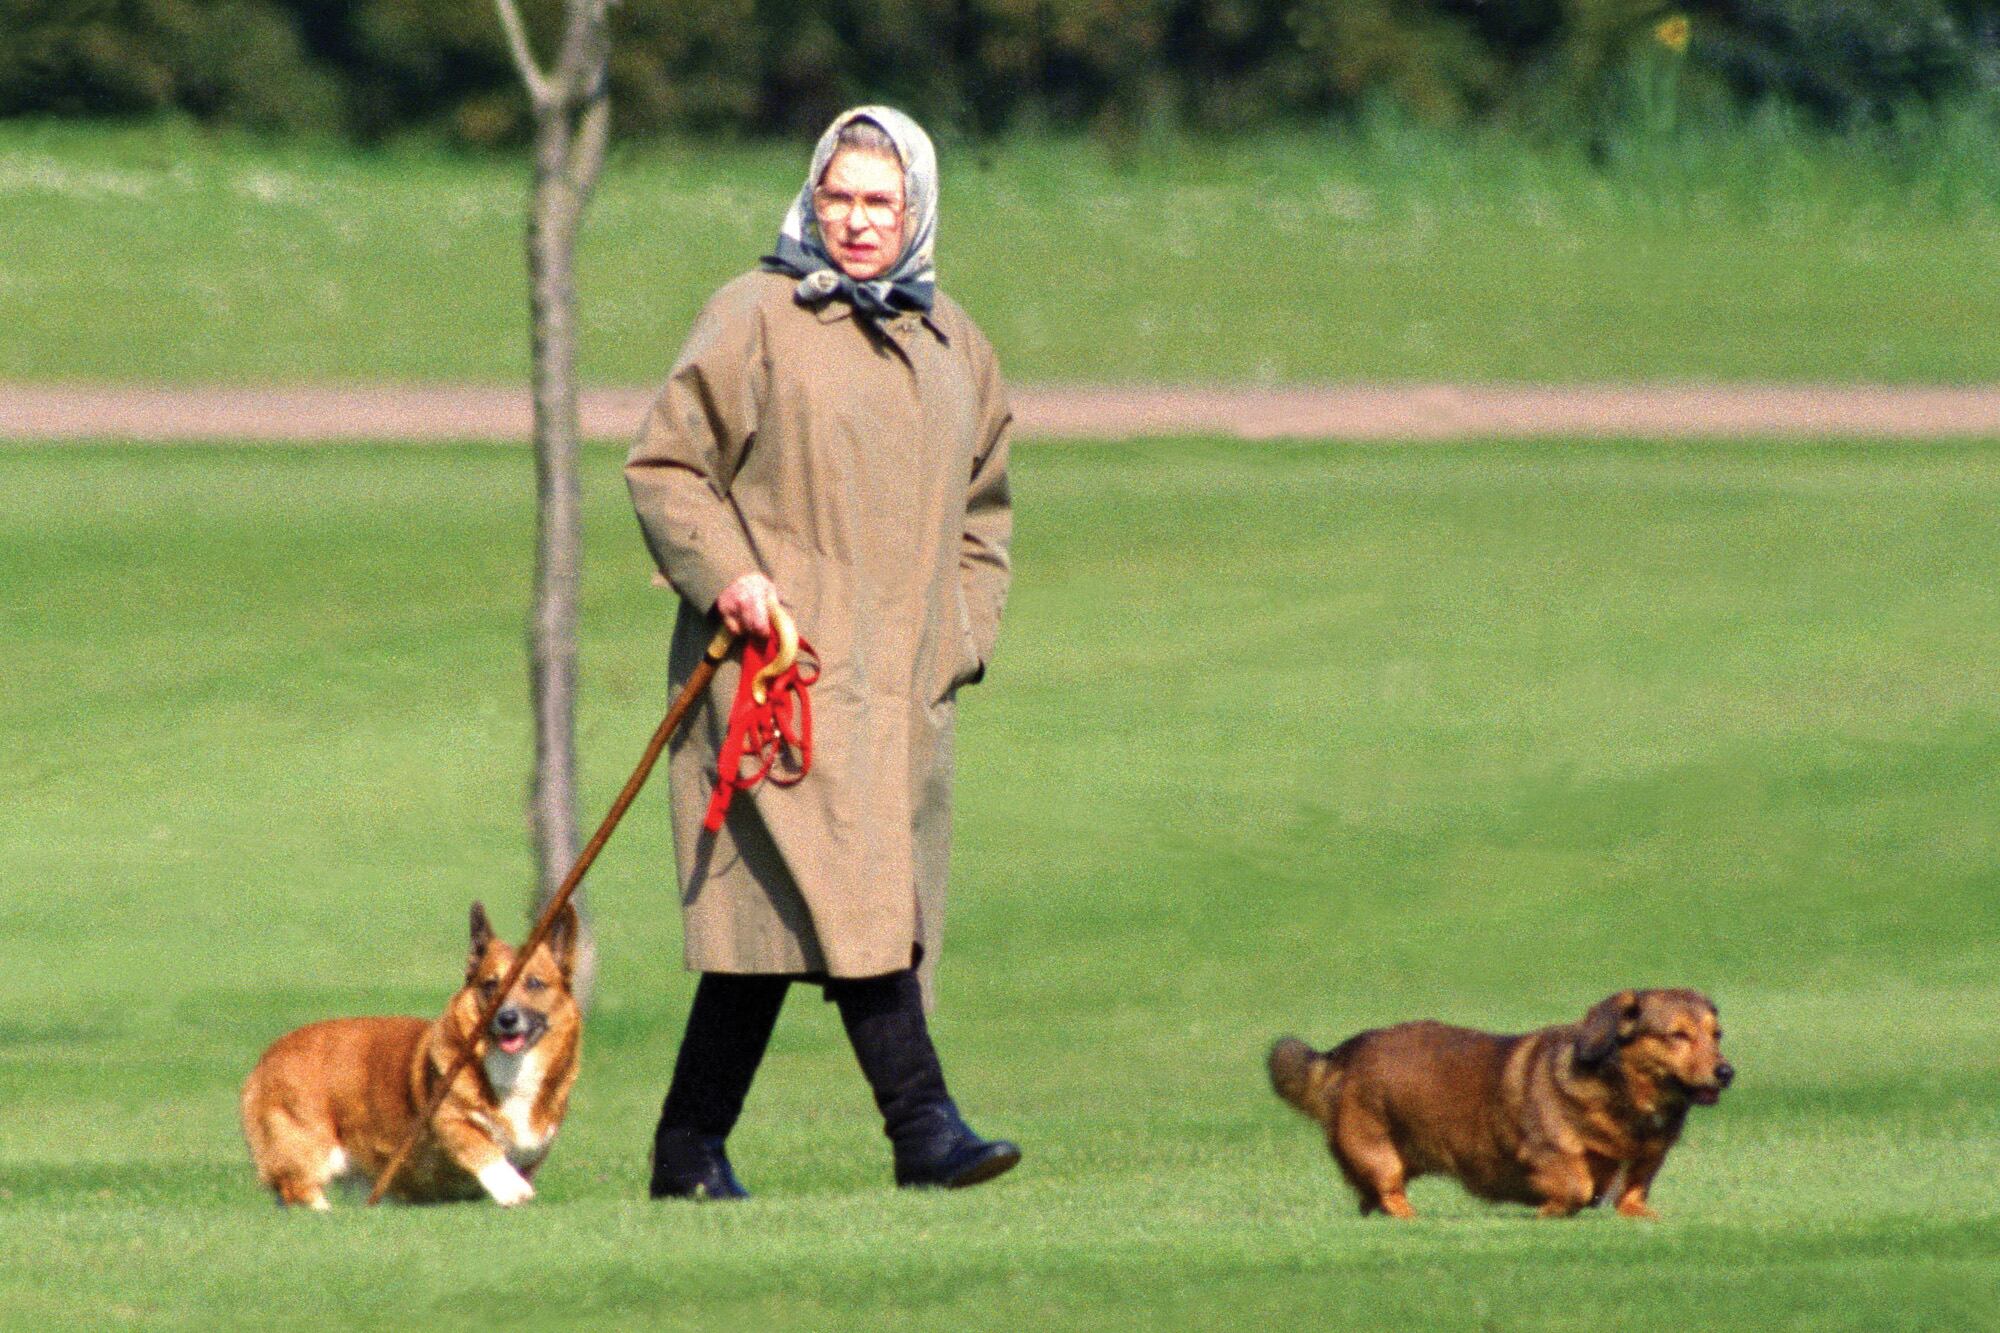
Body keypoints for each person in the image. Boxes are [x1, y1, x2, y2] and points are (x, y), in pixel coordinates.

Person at [624, 106, 1017, 1198]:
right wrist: (727, 577)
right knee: (858, 904)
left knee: (780, 932)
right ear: (810, 196)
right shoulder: (751, 315)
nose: (854, 221)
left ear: (915, 210)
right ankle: (922, 1130)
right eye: (837, 196)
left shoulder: (957, 347)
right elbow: (666, 466)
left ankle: (686, 1150)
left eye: (877, 202)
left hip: (902, 695)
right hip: (771, 685)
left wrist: (962, 638)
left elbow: (985, 514)